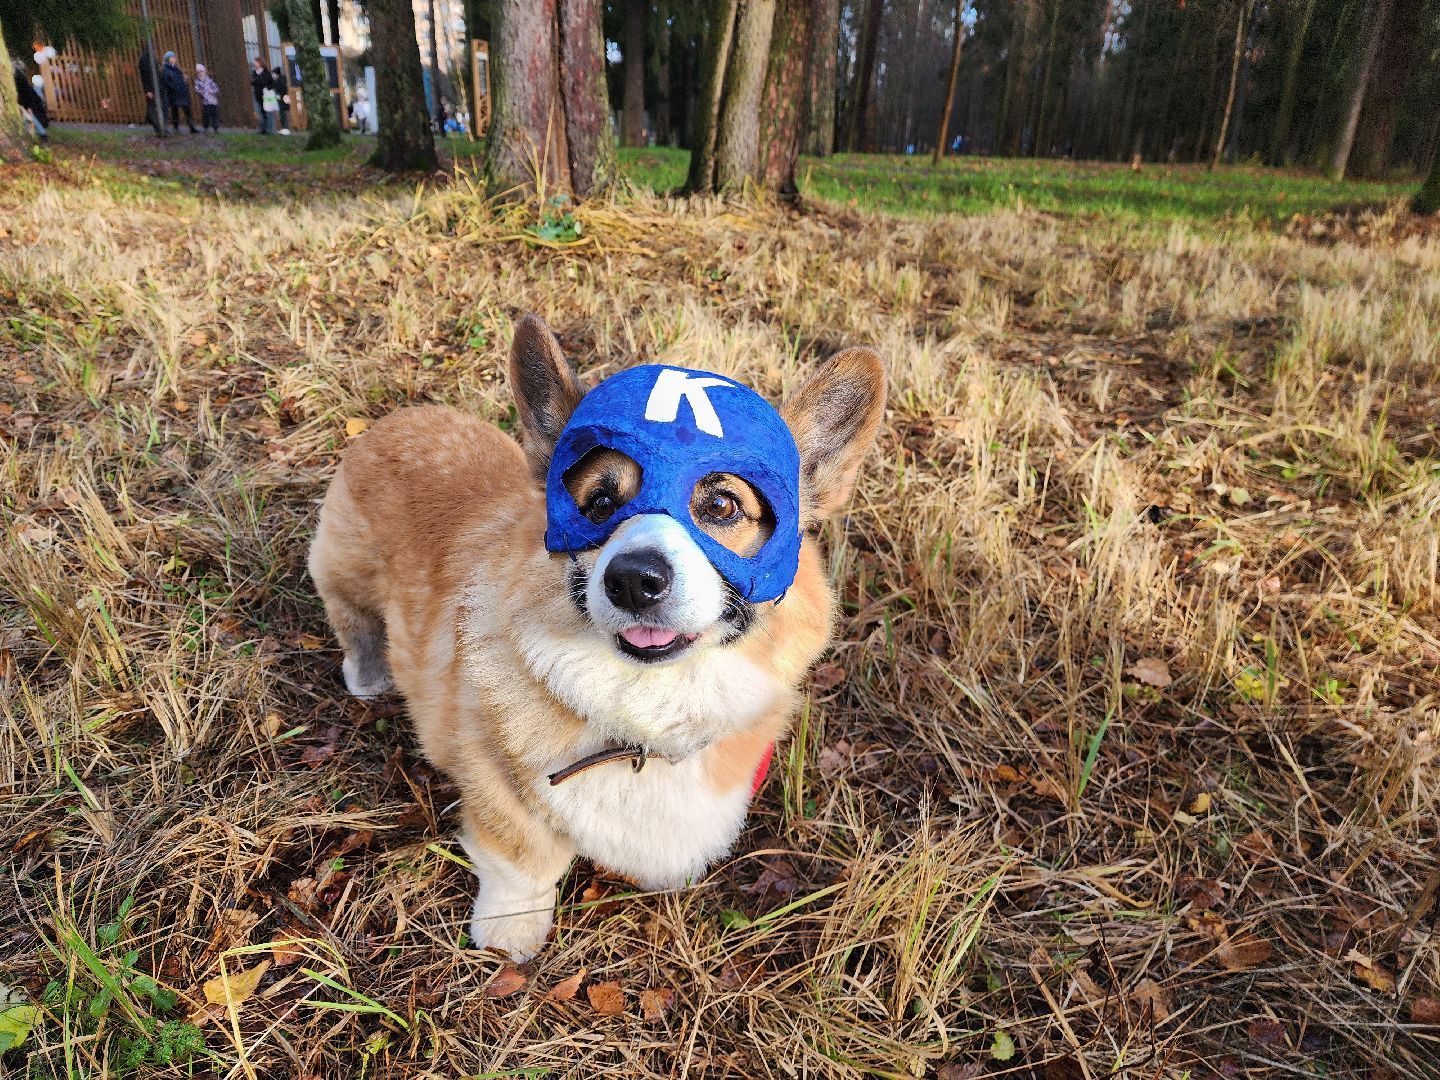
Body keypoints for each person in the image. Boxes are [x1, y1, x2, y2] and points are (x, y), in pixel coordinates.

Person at [159, 51, 198, 133]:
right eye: (172, 57)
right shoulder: (165, 71)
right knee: (175, 111)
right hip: (173, 94)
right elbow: (167, 83)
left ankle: (192, 127)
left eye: (174, 57)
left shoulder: (177, 70)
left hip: (182, 93)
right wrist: (175, 88)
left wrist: (184, 81)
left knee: (187, 111)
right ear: (168, 59)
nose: (174, 58)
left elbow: (181, 79)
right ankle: (176, 128)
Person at [12, 60, 47, 140]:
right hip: (30, 101)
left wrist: (27, 106)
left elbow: (24, 93)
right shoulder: (21, 76)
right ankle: (39, 134)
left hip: (29, 102)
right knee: (30, 118)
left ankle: (42, 134)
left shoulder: (18, 78)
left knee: (31, 118)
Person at [138, 46, 165, 136]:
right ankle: (157, 128)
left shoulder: (153, 58)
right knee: (153, 107)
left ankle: (159, 126)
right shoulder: (144, 60)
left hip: (157, 87)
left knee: (157, 107)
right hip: (151, 88)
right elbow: (144, 76)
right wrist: (147, 90)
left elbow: (157, 73)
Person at [250, 56, 274, 134]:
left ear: (260, 63)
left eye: (256, 62)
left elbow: (270, 83)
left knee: (268, 113)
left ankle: (270, 130)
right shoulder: (254, 73)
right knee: (260, 113)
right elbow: (253, 82)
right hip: (258, 95)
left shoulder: (266, 73)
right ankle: (262, 129)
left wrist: (267, 87)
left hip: (266, 95)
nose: (254, 64)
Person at [194, 63, 220, 133]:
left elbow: (216, 88)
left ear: (205, 72)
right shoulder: (198, 82)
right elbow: (197, 89)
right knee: (206, 115)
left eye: (202, 72)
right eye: (199, 72)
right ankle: (206, 127)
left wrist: (213, 91)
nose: (200, 74)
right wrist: (200, 92)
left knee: (214, 115)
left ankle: (215, 128)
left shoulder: (210, 81)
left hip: (213, 101)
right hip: (205, 101)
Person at [271, 65, 290, 135]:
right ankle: (284, 128)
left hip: (283, 99)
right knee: (282, 114)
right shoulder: (280, 80)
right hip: (282, 98)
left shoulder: (280, 80)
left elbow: (281, 89)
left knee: (283, 114)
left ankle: (286, 129)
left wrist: (278, 96)